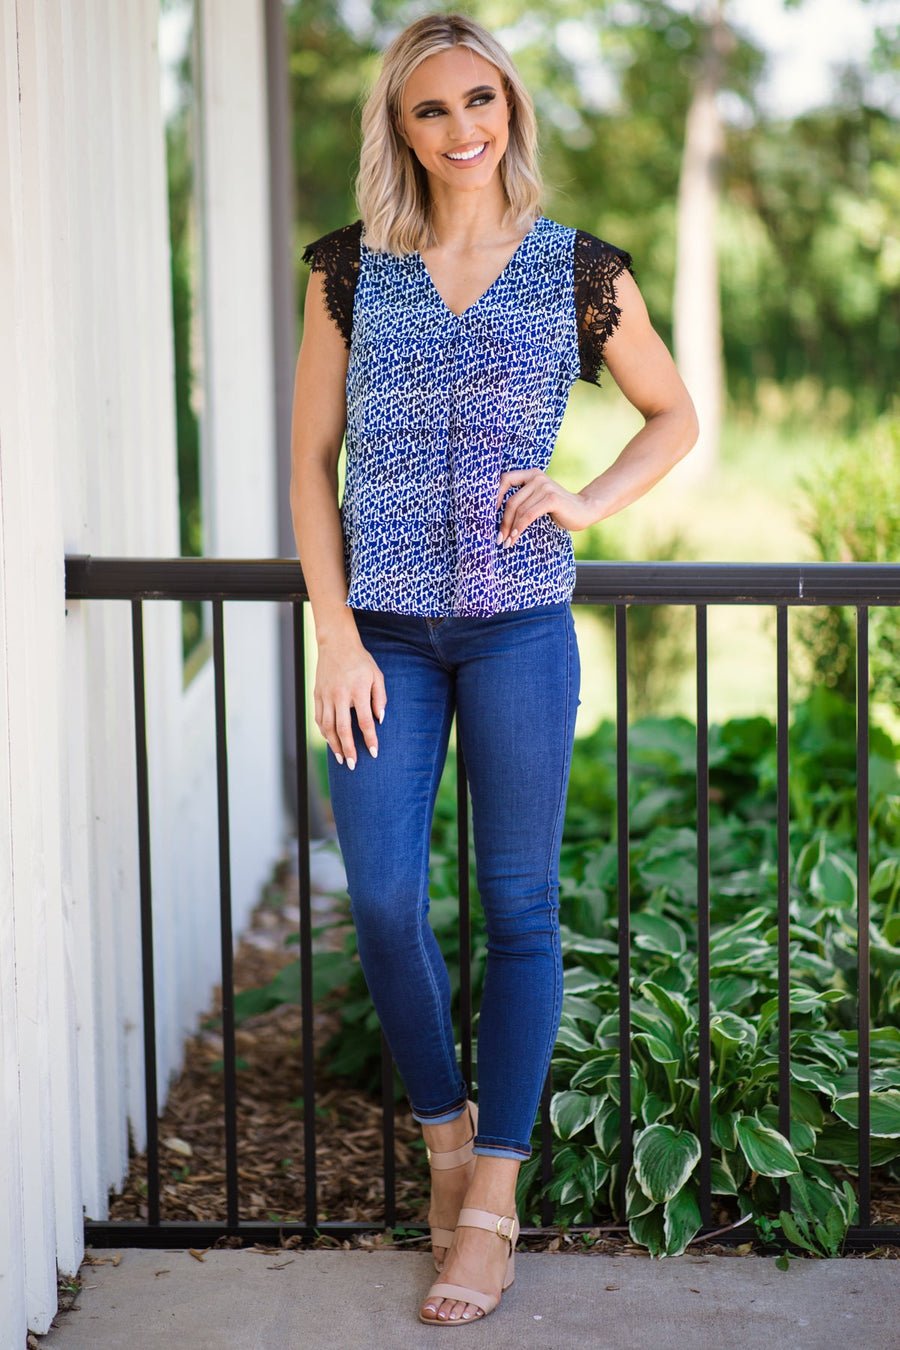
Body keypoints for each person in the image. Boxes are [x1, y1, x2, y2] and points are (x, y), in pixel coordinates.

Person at [290, 12, 697, 1327]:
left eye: (481, 100)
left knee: (519, 910)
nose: (462, 127)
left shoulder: (581, 270)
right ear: (399, 129)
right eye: (432, 108)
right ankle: (446, 1142)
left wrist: (589, 498)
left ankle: (492, 1205)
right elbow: (308, 463)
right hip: (383, 638)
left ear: (510, 110)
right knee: (385, 898)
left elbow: (674, 413)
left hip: (520, 626)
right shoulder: (348, 270)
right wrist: (335, 632)